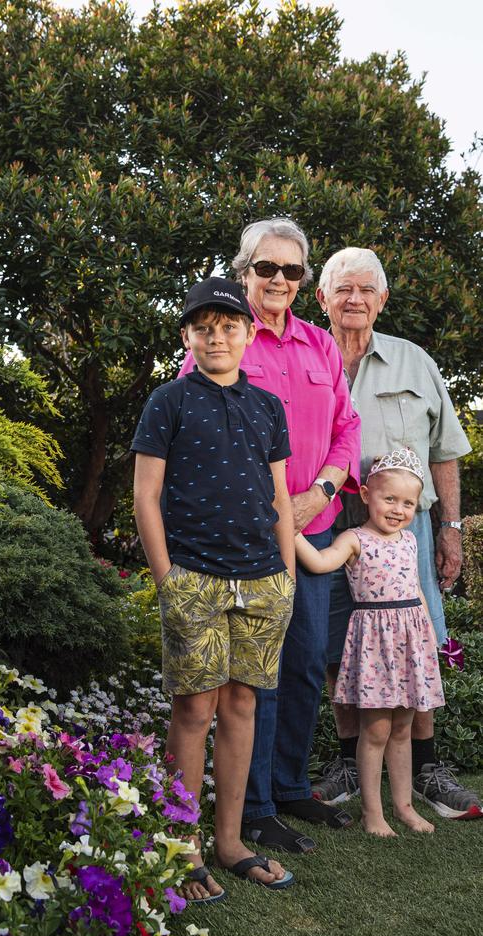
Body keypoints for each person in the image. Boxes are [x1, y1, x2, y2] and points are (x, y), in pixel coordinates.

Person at [179, 219, 362, 854]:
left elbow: (348, 424)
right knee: (256, 677)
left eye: (291, 271)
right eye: (266, 268)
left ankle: (288, 785)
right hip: (249, 543)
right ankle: (252, 808)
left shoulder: (320, 345)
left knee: (308, 662)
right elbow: (196, 432)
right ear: (244, 272)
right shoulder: (224, 340)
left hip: (314, 526)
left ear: (303, 279)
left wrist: (326, 489)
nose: (279, 280)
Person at [132, 276, 297, 901]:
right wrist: (167, 579)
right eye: (203, 328)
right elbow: (146, 495)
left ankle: (229, 842)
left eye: (228, 326)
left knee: (242, 706)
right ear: (188, 337)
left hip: (262, 581)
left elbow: (281, 496)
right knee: (195, 708)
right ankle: (184, 846)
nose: (217, 336)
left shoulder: (267, 407)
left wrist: (283, 574)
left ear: (249, 334)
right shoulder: (168, 402)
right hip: (194, 578)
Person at [311, 247, 481, 821]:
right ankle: (346, 762)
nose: (354, 299)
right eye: (343, 289)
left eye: (366, 290)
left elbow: (445, 454)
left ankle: (427, 765)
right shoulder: (306, 356)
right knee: (337, 641)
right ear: (323, 299)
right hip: (328, 522)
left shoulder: (415, 362)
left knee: (421, 638)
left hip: (407, 530)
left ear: (382, 300)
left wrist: (450, 526)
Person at [296, 448, 443, 836]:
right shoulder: (354, 539)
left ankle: (405, 806)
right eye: (389, 499)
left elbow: (417, 591)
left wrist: (427, 637)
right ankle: (372, 814)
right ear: (365, 495)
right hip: (375, 643)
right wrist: (290, 530)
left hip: (410, 643)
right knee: (375, 729)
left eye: (407, 502)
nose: (398, 509)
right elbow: (320, 562)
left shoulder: (410, 541)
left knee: (402, 729)